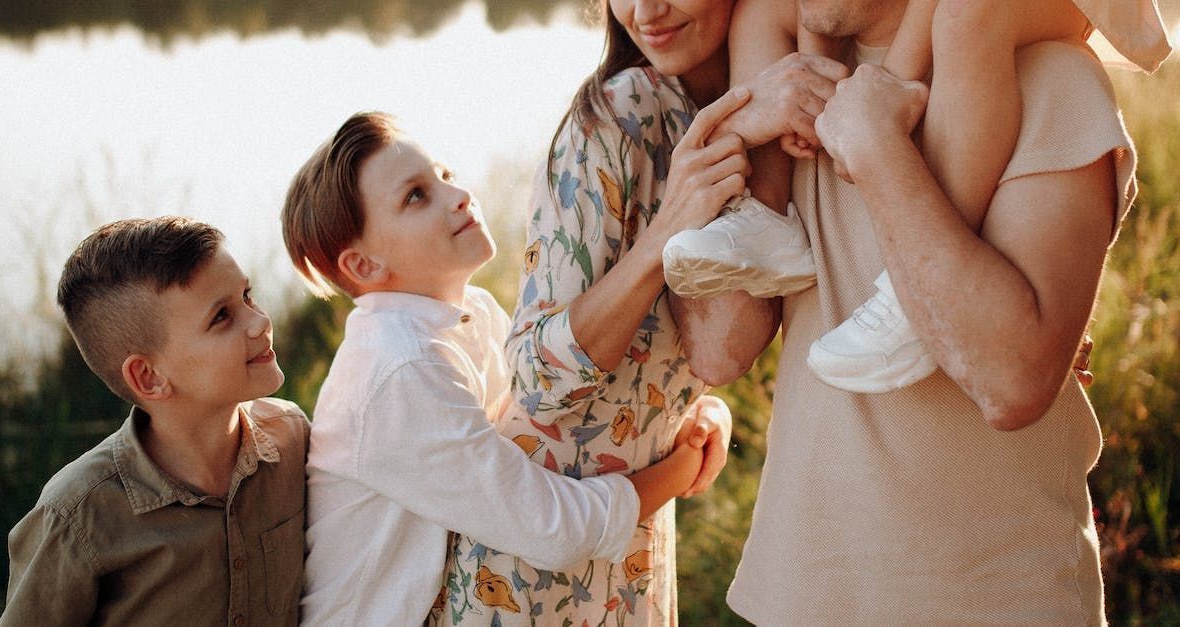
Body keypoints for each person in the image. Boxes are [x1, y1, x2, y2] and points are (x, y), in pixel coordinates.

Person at [670, 0, 1171, 622]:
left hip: (992, 604)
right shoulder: (795, 76)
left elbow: (1012, 384)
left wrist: (878, 146)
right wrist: (730, 147)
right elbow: (721, 349)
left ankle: (901, 304)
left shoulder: (1048, 78)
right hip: (797, 598)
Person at [442, 1, 852, 622]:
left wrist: (692, 407)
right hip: (531, 554)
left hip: (632, 541)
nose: (645, 10)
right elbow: (536, 376)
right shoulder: (619, 113)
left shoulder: (762, 99)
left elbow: (711, 346)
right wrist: (665, 233)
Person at [281, 111, 722, 625]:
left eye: (444, 175)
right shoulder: (397, 369)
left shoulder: (471, 314)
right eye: (416, 196)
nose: (459, 194)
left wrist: (697, 414)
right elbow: (551, 528)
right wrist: (685, 464)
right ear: (363, 266)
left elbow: (544, 438)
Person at [665, 0, 1171, 393]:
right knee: (763, 8)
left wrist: (871, 112)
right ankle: (763, 220)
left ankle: (914, 289)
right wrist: (814, 100)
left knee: (966, 16)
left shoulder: (1055, 77)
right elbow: (715, 356)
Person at [1, 217, 309, 625]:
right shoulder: (76, 516)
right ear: (149, 377)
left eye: (247, 296)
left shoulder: (293, 438)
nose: (260, 321)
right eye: (221, 316)